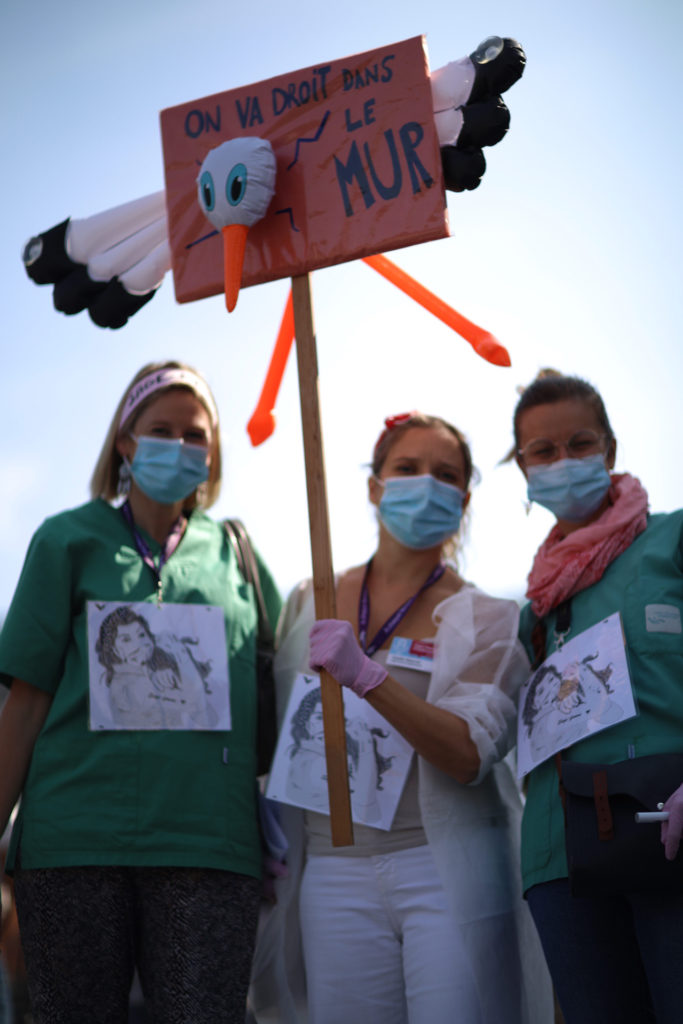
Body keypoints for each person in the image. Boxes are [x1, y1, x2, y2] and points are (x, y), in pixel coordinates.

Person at [0, 360, 282, 1024]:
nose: (179, 445)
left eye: (196, 434)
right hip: (75, 844)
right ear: (125, 443)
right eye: (161, 430)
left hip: (207, 848)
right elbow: (26, 704)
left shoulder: (237, 557)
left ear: (213, 453)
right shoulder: (65, 540)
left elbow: (289, 688)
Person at [250, 412, 553, 1024]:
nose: (426, 484)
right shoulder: (309, 598)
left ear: (464, 500)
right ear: (375, 486)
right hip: (332, 870)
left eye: (446, 475)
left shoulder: (487, 617)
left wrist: (368, 677)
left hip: (444, 870)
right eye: (407, 468)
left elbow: (468, 753)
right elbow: (278, 726)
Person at [511, 370, 683, 1024]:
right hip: (561, 855)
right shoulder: (529, 608)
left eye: (579, 444)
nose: (562, 462)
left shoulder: (671, 540)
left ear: (608, 448)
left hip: (668, 829)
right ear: (523, 468)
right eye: (542, 451)